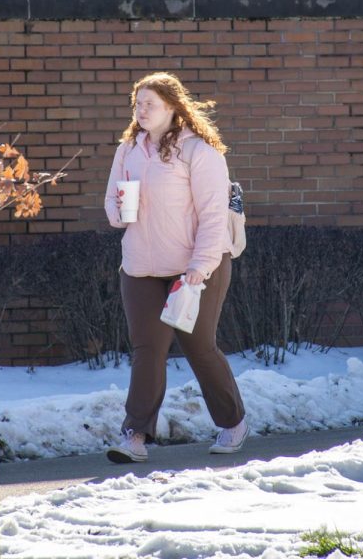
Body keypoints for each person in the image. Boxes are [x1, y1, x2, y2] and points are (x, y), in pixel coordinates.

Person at [103, 72, 248, 463]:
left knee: (199, 347)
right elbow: (113, 211)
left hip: (196, 269)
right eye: (138, 103)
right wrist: (120, 207)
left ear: (173, 107)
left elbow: (214, 216)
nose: (142, 110)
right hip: (140, 268)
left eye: (150, 103)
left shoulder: (199, 151)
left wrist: (201, 266)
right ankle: (134, 436)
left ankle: (233, 422)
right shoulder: (129, 149)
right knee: (147, 349)